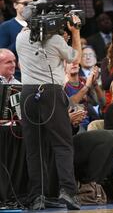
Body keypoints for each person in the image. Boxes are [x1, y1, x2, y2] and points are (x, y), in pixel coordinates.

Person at [16, 13, 82, 210]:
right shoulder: (54, 39)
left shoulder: (20, 38)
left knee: (34, 148)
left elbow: (27, 27)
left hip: (27, 93)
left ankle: (37, 197)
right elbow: (75, 57)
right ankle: (68, 192)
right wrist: (75, 32)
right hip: (51, 92)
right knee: (62, 145)